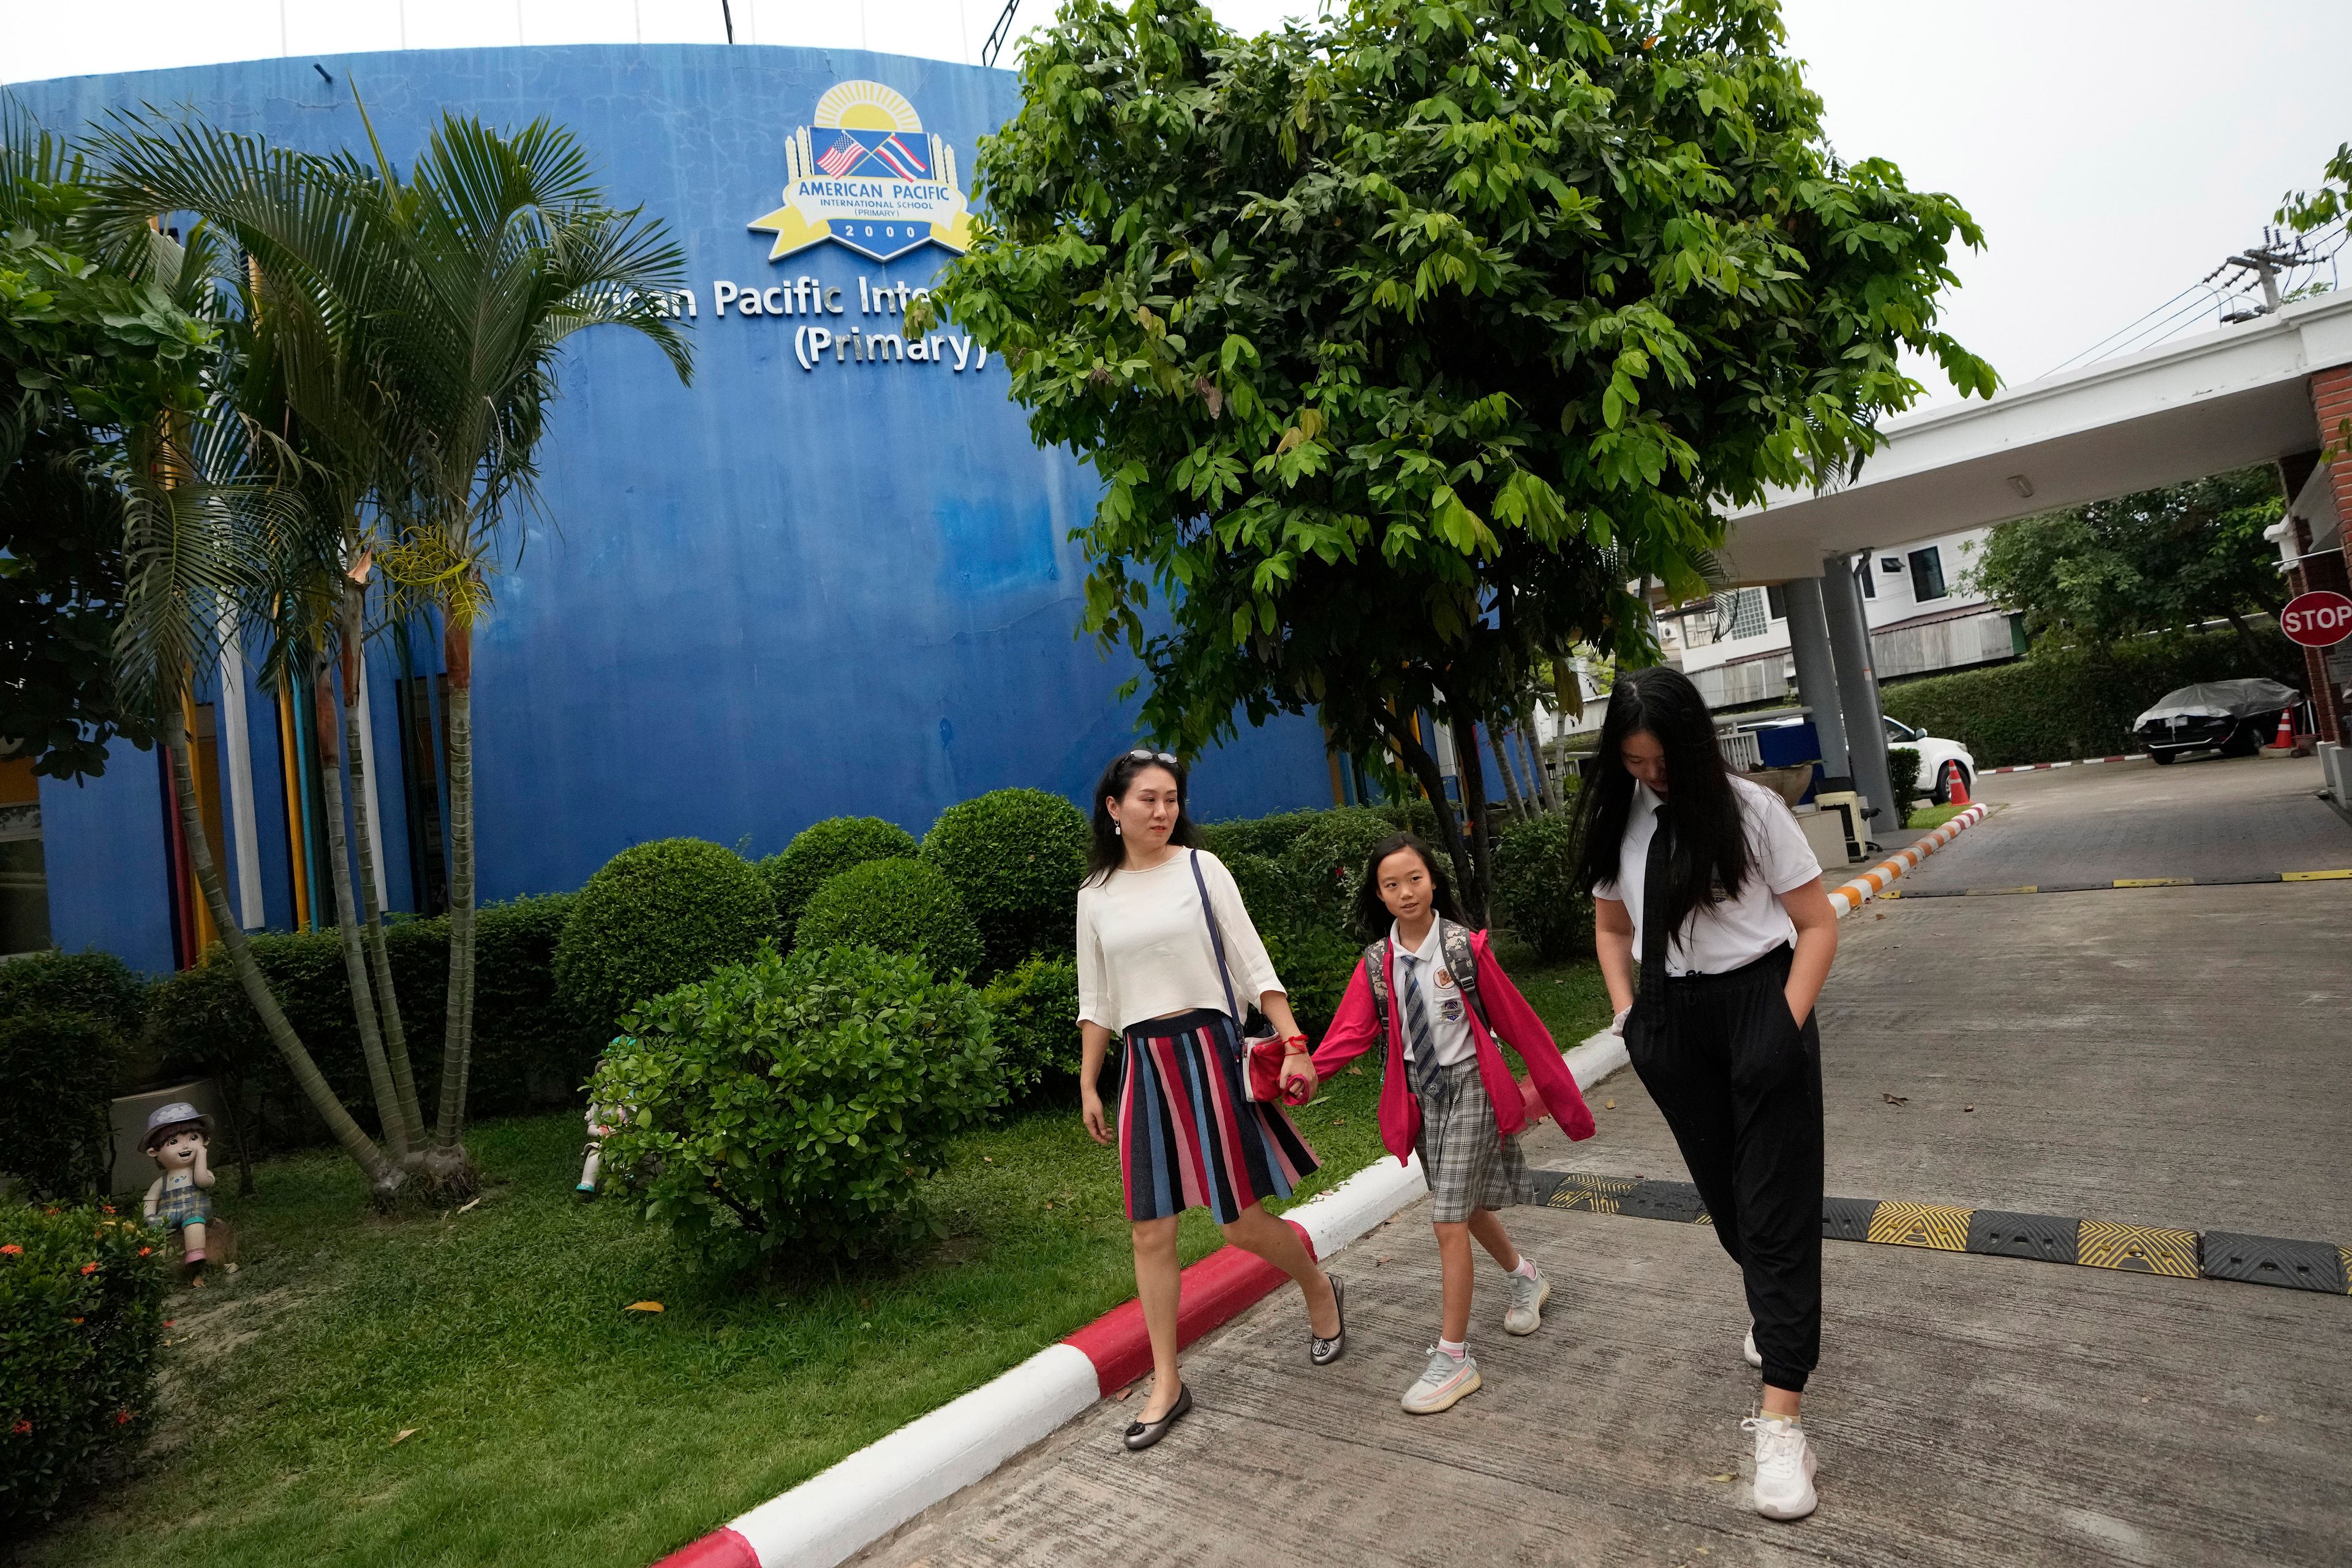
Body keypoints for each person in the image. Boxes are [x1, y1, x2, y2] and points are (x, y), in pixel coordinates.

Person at [1575, 666, 1839, 1521]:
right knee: (1732, 1212)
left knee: (1776, 1212)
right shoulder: (1624, 815)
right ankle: (1774, 1313)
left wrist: (1782, 1026)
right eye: (1632, 761)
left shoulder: (1751, 811)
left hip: (1761, 1002)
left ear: (1689, 743)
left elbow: (1818, 923)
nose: (1649, 776)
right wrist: (1628, 1013)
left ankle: (1782, 1422)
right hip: (1671, 1024)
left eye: (1659, 761)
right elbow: (1613, 926)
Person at [1076, 748, 1343, 1450]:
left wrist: (1292, 1040)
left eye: (1171, 799)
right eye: (1147, 800)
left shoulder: (1202, 869)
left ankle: (1317, 1286)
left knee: (1238, 1222)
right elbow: (1097, 999)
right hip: (1144, 1063)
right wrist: (1088, 1079)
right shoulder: (1095, 895)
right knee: (1150, 1230)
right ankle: (1168, 1380)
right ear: (1114, 808)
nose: (1162, 812)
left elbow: (1254, 963)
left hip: (1210, 1052)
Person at [1287, 834, 1596, 1414]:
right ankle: (1526, 1276)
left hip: (1471, 1086)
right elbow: (1353, 1033)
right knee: (1467, 1203)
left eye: (1415, 879)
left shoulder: (1463, 950)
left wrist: (1563, 1101)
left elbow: (1522, 1026)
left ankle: (1455, 1360)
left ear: (1434, 882)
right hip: (1421, 1095)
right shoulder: (1379, 962)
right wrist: (1307, 1076)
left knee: (1448, 1217)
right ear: (1378, 895)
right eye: (1391, 884)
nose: (1405, 893)